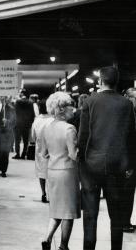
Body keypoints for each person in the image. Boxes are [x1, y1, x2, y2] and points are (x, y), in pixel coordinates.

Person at [78, 66, 136, 250]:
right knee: (116, 215)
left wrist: (81, 160)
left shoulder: (89, 101)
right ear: (116, 82)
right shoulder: (126, 104)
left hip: (91, 166)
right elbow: (131, 136)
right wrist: (130, 164)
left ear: (100, 81)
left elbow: (83, 136)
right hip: (117, 166)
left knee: (90, 214)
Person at [41, 92, 80, 250]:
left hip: (53, 171)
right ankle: (64, 245)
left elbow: (43, 153)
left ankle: (47, 238)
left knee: (57, 209)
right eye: (71, 106)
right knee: (68, 212)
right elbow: (73, 155)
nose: (74, 109)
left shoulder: (47, 127)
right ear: (62, 109)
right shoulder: (69, 128)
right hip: (67, 173)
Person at [31, 100, 54, 203]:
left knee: (41, 172)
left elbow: (33, 136)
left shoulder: (37, 120)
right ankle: (52, 194)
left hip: (40, 148)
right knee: (52, 172)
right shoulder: (53, 120)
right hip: (52, 148)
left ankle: (43, 193)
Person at [121, 87, 136, 233]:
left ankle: (126, 220)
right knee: (127, 192)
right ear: (127, 97)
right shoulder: (124, 115)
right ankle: (124, 222)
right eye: (134, 98)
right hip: (127, 161)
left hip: (132, 159)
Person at [0, 96, 16, 177]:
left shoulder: (11, 109)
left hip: (6, 134)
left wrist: (7, 121)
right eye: (2, 97)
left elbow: (14, 122)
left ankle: (3, 170)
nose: (3, 98)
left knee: (5, 153)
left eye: (5, 97)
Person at [13, 89, 35, 159]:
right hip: (27, 125)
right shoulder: (30, 103)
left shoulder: (18, 102)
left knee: (17, 140)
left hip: (18, 124)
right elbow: (32, 114)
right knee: (26, 140)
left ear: (22, 94)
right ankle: (23, 154)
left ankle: (17, 154)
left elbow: (15, 113)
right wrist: (30, 123)